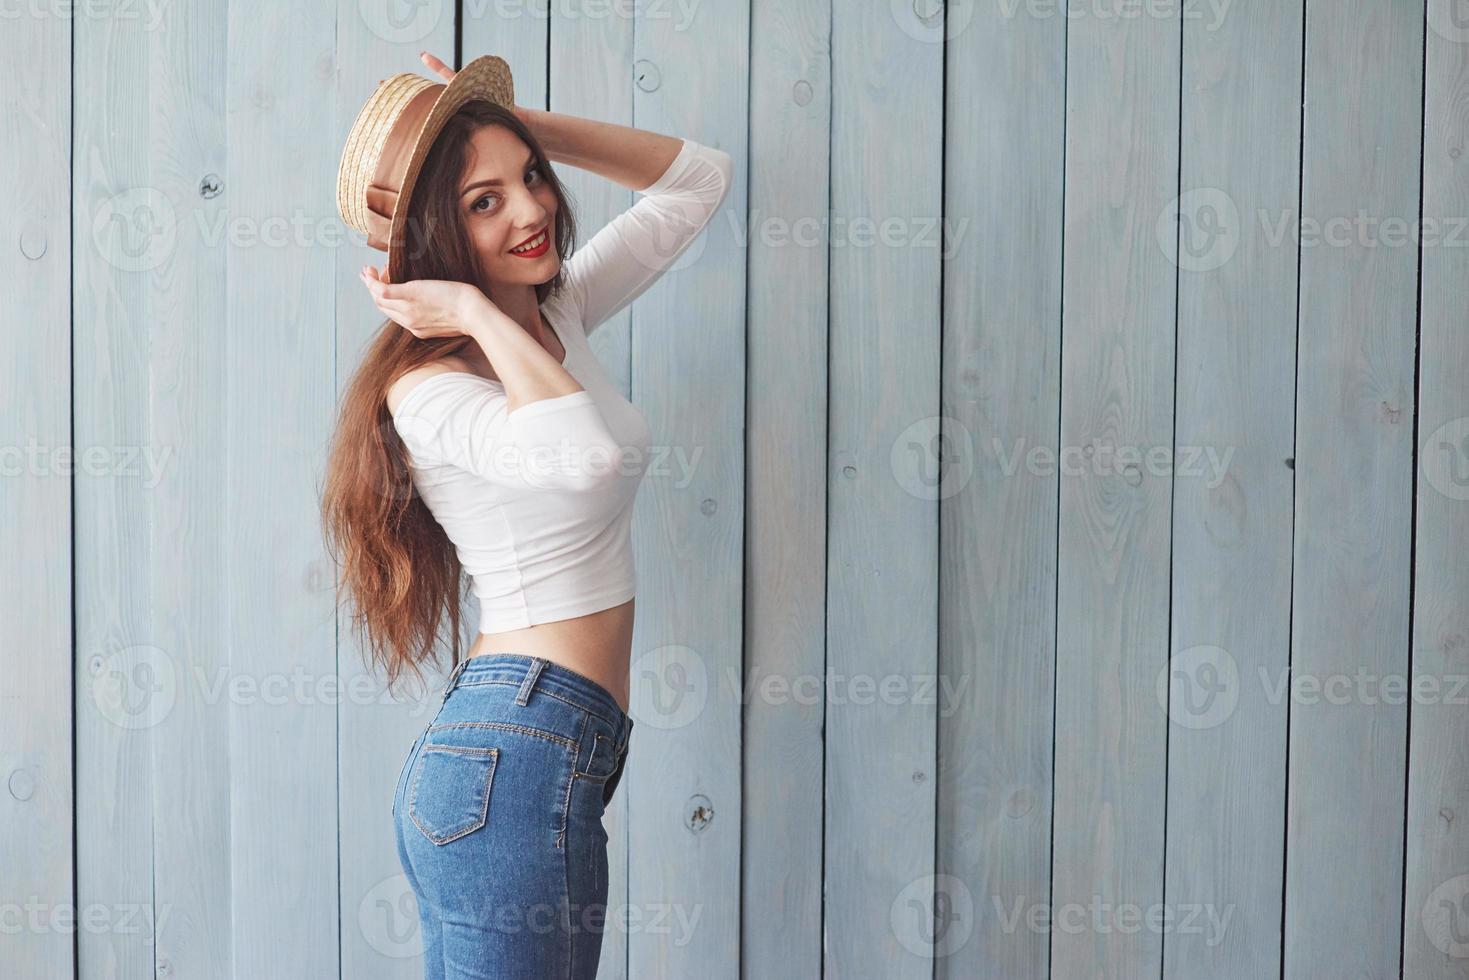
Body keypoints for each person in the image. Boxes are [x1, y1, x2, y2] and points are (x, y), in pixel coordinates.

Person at [321, 51, 732, 979]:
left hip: (548, 747)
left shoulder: (559, 321)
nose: (533, 211)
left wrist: (498, 121)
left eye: (532, 179)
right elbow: (579, 450)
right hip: (513, 756)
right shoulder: (428, 389)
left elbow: (697, 182)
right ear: (435, 236)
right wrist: (471, 306)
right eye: (482, 201)